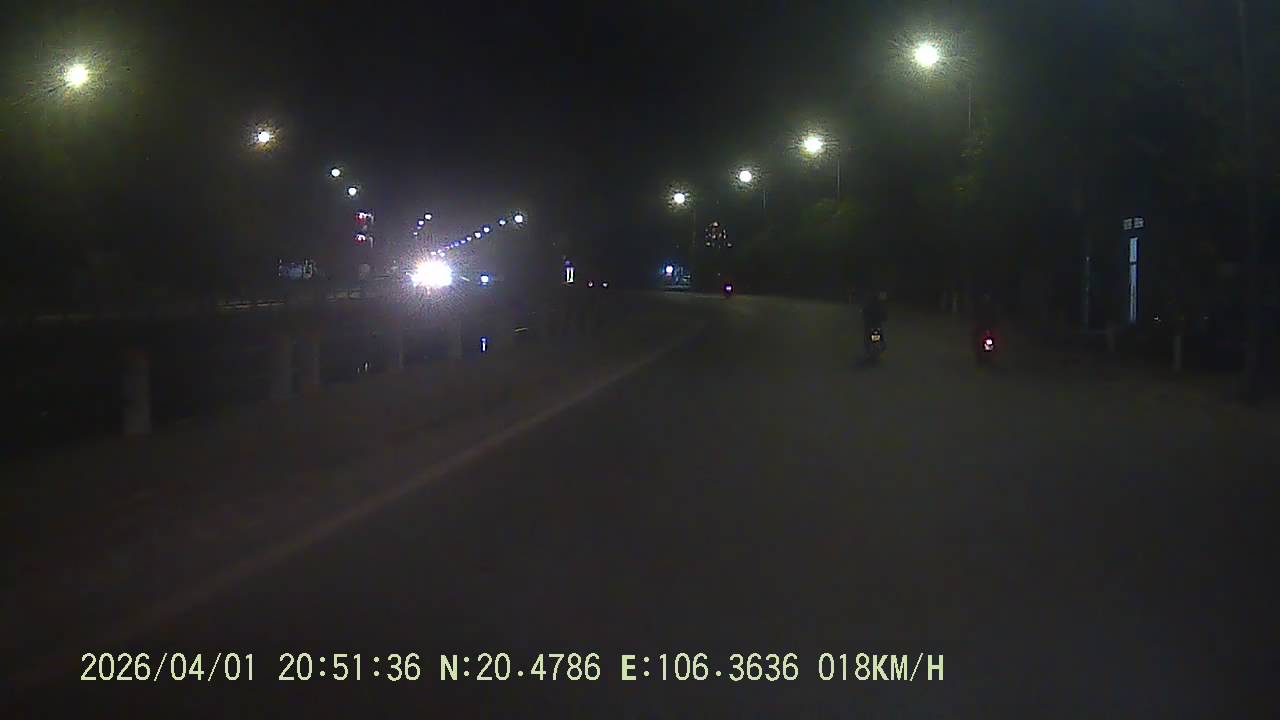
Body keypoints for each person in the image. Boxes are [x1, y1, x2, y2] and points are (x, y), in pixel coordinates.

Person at [862, 290, 888, 355]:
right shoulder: (877, 305)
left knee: (871, 341)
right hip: (874, 325)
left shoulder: (873, 304)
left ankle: (871, 353)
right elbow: (883, 316)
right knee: (873, 342)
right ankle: (872, 353)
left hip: (871, 325)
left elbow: (864, 312)